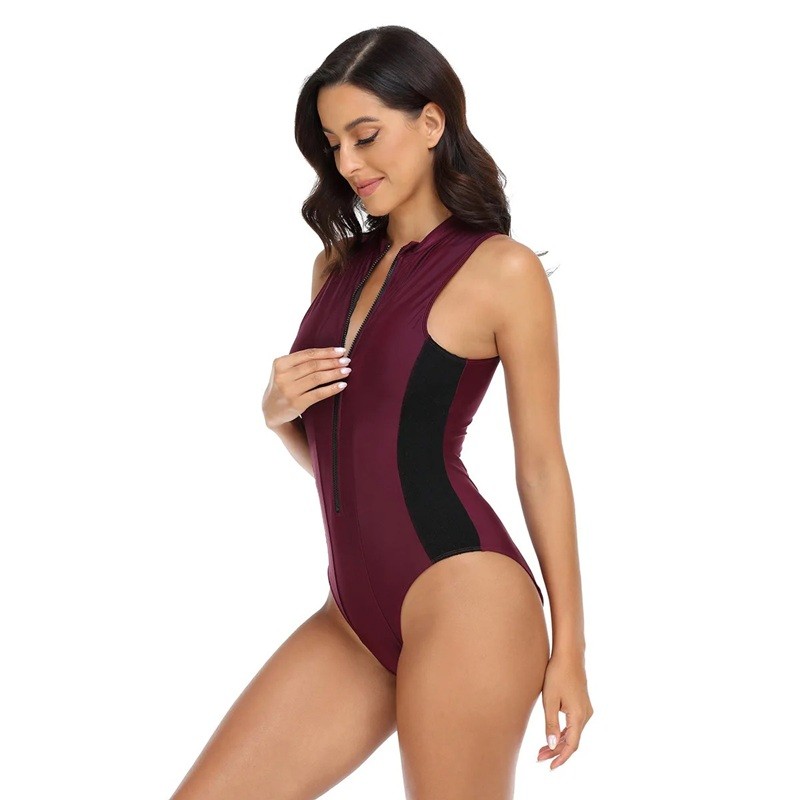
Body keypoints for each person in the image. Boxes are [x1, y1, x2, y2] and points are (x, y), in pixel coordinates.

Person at [169, 25, 593, 800]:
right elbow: (351, 455)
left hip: (468, 600)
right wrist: (278, 415)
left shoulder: (501, 270)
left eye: (366, 137)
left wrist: (570, 649)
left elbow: (540, 466)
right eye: (334, 144)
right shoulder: (335, 266)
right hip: (352, 616)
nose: (349, 164)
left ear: (431, 123)